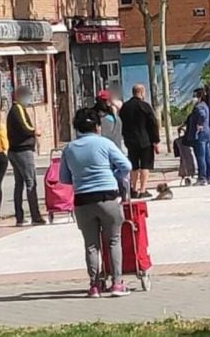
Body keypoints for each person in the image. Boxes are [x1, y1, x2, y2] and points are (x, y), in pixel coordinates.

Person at [58, 108, 133, 298]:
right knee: (113, 240)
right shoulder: (104, 144)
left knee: (91, 245)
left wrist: (81, 177)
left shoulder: (69, 149)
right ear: (97, 127)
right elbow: (126, 166)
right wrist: (113, 175)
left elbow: (64, 179)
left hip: (82, 200)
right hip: (107, 196)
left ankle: (94, 285)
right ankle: (117, 283)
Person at [7, 86, 46, 226]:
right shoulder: (17, 108)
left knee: (19, 184)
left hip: (15, 150)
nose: (28, 99)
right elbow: (25, 126)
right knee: (31, 182)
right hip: (22, 150)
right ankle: (35, 216)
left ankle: (20, 216)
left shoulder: (16, 109)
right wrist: (35, 131)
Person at [119, 84, 160, 200]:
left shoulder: (125, 107)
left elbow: (122, 123)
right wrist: (155, 141)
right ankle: (143, 190)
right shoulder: (145, 106)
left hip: (130, 140)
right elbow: (153, 124)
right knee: (145, 166)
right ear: (141, 92)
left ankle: (133, 189)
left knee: (134, 166)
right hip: (145, 140)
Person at [187, 88, 210, 185]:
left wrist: (199, 124)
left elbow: (202, 116)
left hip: (200, 134)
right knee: (207, 155)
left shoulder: (199, 107)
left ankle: (202, 178)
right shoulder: (205, 105)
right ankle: (209, 176)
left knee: (201, 156)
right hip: (207, 133)